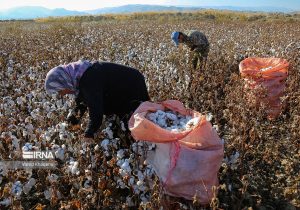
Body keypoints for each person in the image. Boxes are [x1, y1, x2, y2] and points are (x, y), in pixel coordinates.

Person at [45, 60, 150, 142]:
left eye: (60, 91)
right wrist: (71, 121)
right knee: (123, 123)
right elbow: (82, 102)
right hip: (122, 89)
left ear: (62, 81)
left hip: (132, 86)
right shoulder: (80, 78)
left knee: (137, 122)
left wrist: (89, 134)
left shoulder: (89, 78)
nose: (62, 94)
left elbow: (96, 110)